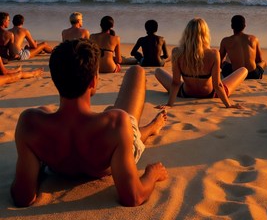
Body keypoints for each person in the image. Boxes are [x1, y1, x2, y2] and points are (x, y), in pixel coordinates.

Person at [11, 39, 168, 207]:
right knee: (136, 72)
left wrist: (37, 164)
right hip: (106, 148)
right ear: (94, 81)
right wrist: (152, 174)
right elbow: (134, 197)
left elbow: (22, 197)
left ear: (55, 80)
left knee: (44, 111)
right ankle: (151, 128)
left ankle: (150, 128)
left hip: (60, 158)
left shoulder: (30, 123)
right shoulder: (116, 123)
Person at [155, 18, 248, 109]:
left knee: (158, 71)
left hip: (185, 93)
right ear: (205, 34)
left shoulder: (177, 52)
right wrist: (228, 105)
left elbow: (176, 83)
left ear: (187, 34)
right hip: (211, 94)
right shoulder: (213, 53)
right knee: (243, 70)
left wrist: (169, 104)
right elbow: (217, 85)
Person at [219, 15, 266, 79]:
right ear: (244, 26)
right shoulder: (254, 39)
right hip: (253, 74)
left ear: (231, 26)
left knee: (224, 63)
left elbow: (219, 60)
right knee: (263, 62)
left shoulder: (226, 41)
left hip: (236, 74)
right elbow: (259, 60)